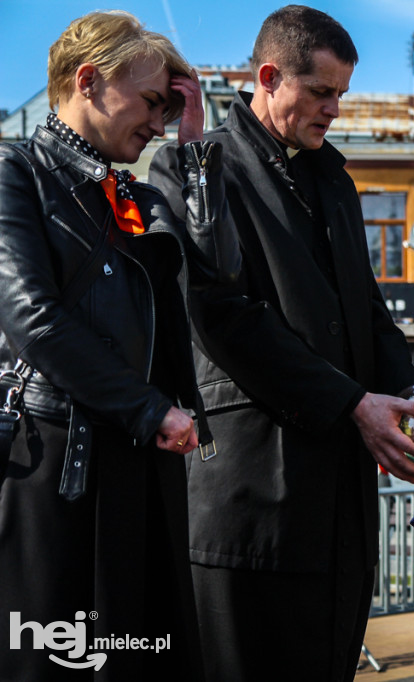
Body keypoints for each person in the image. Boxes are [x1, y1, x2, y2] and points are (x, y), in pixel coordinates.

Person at [149, 5, 414, 681]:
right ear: (271, 76)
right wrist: (351, 404)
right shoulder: (194, 165)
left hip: (340, 512)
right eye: (323, 92)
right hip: (250, 506)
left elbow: (364, 309)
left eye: (342, 93)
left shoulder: (331, 174)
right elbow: (221, 316)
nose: (336, 108)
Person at [0, 10, 237, 679]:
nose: (159, 122)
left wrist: (193, 145)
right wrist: (151, 410)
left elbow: (216, 277)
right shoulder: (15, 171)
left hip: (137, 467)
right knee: (54, 663)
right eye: (152, 103)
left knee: (143, 661)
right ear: (89, 82)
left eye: (169, 109)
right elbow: (33, 319)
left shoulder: (130, 193)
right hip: (58, 470)